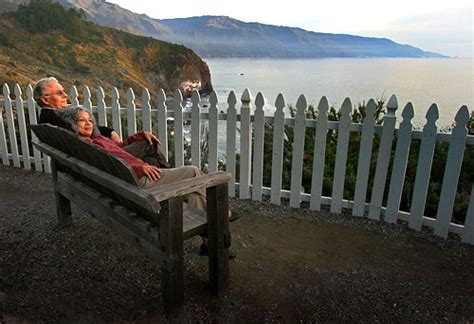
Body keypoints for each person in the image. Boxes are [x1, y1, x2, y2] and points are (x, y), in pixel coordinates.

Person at [59, 107, 238, 256]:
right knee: (193, 171)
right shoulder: (90, 147)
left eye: (89, 119)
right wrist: (139, 167)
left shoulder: (94, 141)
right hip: (140, 182)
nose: (88, 123)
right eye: (82, 120)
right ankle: (221, 212)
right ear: (72, 124)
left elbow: (119, 149)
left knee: (193, 191)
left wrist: (139, 135)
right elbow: (115, 159)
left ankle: (208, 241)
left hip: (130, 180)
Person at [33, 77, 170, 168]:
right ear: (45, 100)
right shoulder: (57, 118)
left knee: (151, 162)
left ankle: (166, 179)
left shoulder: (51, 119)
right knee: (148, 143)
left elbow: (89, 130)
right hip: (106, 160)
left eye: (63, 91)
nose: (65, 95)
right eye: (59, 93)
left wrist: (110, 132)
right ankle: (173, 180)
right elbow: (87, 134)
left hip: (94, 163)